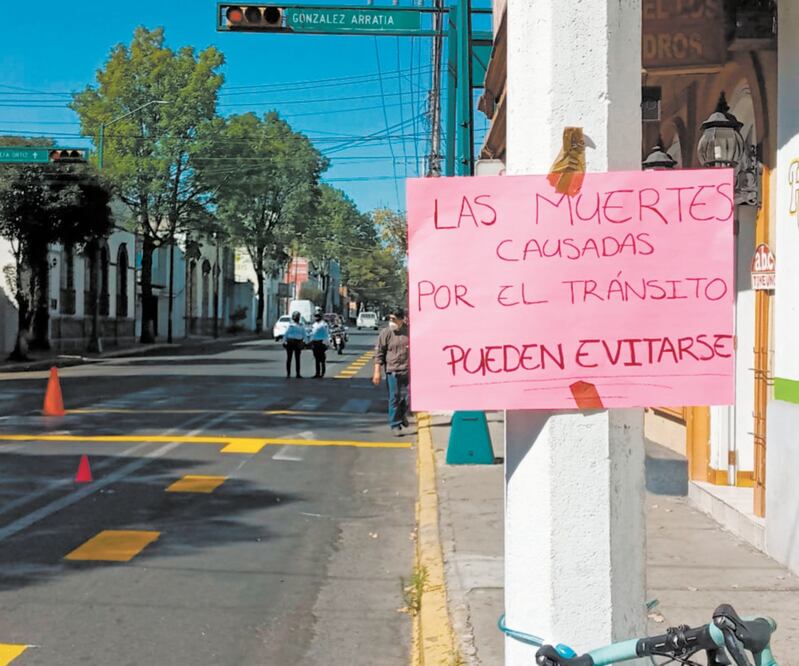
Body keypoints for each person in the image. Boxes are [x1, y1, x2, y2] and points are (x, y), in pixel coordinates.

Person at [372, 307, 410, 436]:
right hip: (392, 370)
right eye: (390, 318)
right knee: (394, 397)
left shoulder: (409, 331)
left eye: (394, 319)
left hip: (408, 370)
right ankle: (395, 424)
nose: (391, 321)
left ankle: (402, 413)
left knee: (410, 397)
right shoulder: (386, 333)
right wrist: (377, 371)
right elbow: (379, 353)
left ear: (401, 319)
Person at [283, 311, 307, 378]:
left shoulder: (301, 325)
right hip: (290, 342)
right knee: (289, 358)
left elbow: (304, 334)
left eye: (298, 316)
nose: (297, 318)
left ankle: (298, 373)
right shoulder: (290, 325)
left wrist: (306, 342)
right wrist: (284, 341)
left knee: (297, 359)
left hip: (298, 342)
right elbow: (286, 334)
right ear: (293, 317)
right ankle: (288, 374)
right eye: (296, 316)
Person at [310, 309, 331, 378]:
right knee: (316, 359)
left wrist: (327, 343)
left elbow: (327, 334)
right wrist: (310, 342)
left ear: (321, 317)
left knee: (322, 359)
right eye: (316, 316)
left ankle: (322, 373)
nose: (317, 318)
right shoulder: (314, 325)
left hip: (322, 343)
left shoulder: (324, 324)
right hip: (315, 343)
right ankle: (317, 373)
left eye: (318, 316)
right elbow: (312, 334)